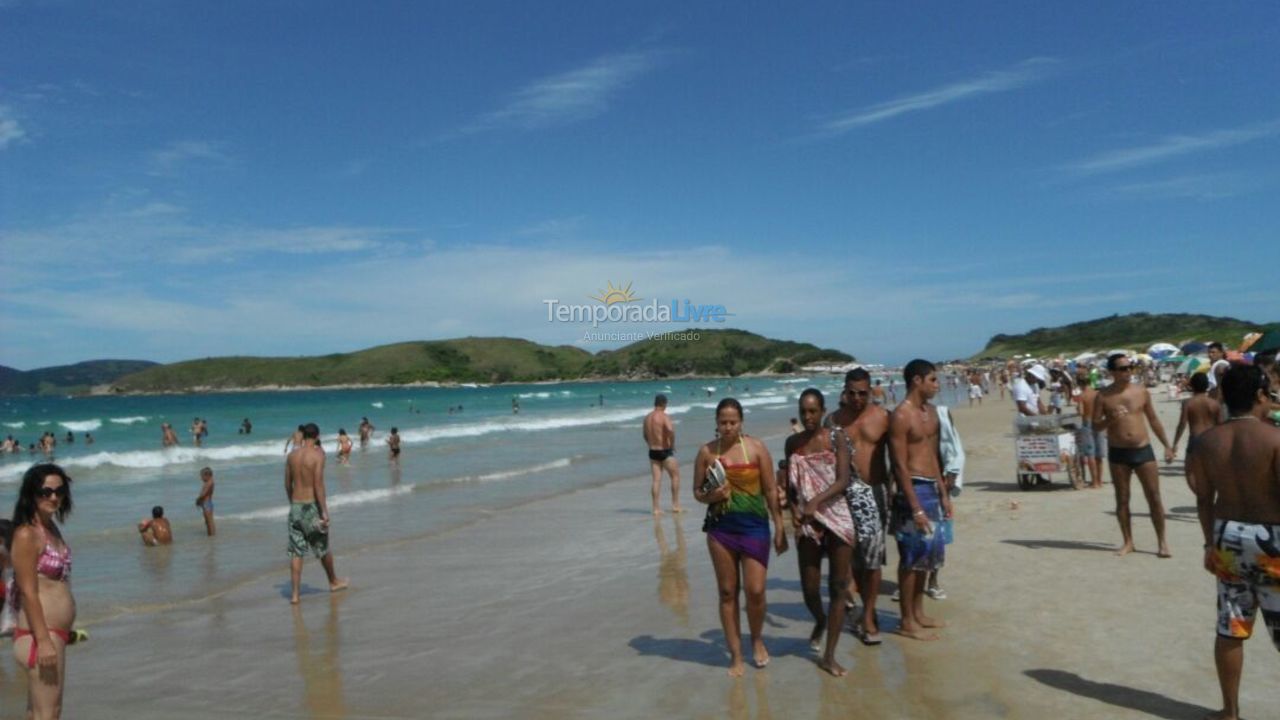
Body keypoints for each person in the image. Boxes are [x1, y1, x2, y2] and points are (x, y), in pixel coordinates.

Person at [1187, 364, 1280, 720]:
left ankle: (1230, 711)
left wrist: (1209, 545)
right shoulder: (1274, 439)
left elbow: (1202, 499)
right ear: (1260, 395)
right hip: (1272, 538)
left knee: (1231, 628)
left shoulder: (1208, 441)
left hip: (1227, 536)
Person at [693, 398, 787, 676]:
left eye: (733, 422)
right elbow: (697, 492)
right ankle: (735, 654)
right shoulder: (707, 453)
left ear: (741, 421)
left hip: (755, 527)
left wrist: (780, 525)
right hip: (721, 530)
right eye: (723, 422)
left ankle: (756, 639)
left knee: (756, 591)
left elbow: (770, 490)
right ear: (716, 423)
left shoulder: (757, 448)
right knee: (727, 592)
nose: (728, 427)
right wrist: (713, 495)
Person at [785, 389, 854, 675]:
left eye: (813, 411)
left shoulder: (835, 437)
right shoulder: (792, 443)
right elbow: (790, 485)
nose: (808, 416)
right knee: (810, 588)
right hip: (808, 523)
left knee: (838, 587)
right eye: (803, 411)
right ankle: (820, 620)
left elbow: (843, 479)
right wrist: (794, 508)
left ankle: (829, 655)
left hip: (836, 516)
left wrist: (815, 502)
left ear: (822, 410)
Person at [888, 359, 953, 641]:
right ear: (917, 381)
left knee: (928, 556)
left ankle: (918, 612)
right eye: (933, 380)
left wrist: (943, 492)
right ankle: (906, 620)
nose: (937, 385)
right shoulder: (901, 416)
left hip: (931, 489)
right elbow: (900, 465)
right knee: (911, 557)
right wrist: (914, 506)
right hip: (911, 490)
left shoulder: (932, 413)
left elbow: (932, 455)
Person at [826, 367, 891, 645]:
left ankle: (868, 615)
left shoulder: (883, 418)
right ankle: (857, 607)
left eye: (862, 393)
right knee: (852, 560)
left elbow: (898, 455)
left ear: (869, 391)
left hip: (875, 494)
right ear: (844, 390)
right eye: (851, 393)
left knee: (873, 560)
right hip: (844, 497)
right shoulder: (833, 422)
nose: (856, 398)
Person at [10, 463, 76, 718]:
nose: (53, 497)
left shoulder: (51, 530)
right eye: (45, 491)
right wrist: (45, 641)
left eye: (59, 491)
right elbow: (28, 592)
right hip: (39, 636)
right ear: (31, 494)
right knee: (49, 713)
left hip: (52, 633)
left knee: (38, 712)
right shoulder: (27, 534)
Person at [1093, 353, 1174, 558]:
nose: (1128, 372)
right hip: (1118, 451)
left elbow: (1153, 419)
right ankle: (1128, 542)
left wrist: (1167, 445)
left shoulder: (1141, 392)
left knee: (1154, 497)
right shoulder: (1102, 396)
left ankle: (1162, 542)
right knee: (1122, 499)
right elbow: (1095, 426)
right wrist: (1110, 419)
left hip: (1142, 449)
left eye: (1130, 367)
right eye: (1122, 369)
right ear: (1111, 372)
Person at [285, 423, 347, 604]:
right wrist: (324, 511)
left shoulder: (292, 456)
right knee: (323, 547)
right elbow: (318, 485)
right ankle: (333, 581)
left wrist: (292, 503)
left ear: (303, 435)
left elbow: (287, 484)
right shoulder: (318, 456)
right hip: (311, 506)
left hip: (296, 506)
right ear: (318, 436)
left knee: (296, 552)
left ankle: (295, 595)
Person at [1173, 372, 1222, 493]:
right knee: (1212, 469)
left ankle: (1200, 494)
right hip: (1212, 438)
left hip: (1196, 437)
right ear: (1207, 386)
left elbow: (1182, 424)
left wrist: (1175, 443)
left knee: (1190, 470)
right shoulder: (1214, 404)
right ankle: (1212, 493)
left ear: (1192, 386)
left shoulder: (1188, 403)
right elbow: (1220, 425)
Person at [642, 395, 682, 515]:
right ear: (664, 404)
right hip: (664, 450)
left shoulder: (647, 418)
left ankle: (655, 508)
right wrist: (672, 444)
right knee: (675, 476)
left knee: (656, 480)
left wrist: (650, 444)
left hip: (653, 451)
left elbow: (644, 435)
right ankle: (675, 505)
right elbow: (670, 430)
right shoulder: (664, 416)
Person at [1074, 370, 1107, 489]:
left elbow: (1081, 412)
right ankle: (1100, 480)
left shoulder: (1082, 396)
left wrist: (1077, 409)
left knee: (1090, 454)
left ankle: (1094, 482)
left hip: (1087, 423)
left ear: (1080, 384)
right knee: (1099, 454)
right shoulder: (1098, 393)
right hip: (1099, 422)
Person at [195, 467, 216, 536]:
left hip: (207, 503)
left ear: (207, 475)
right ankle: (211, 534)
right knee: (208, 521)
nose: (201, 478)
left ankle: (211, 535)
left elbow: (204, 494)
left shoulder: (209, 483)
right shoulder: (209, 482)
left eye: (202, 476)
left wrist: (197, 500)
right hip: (207, 503)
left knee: (209, 521)